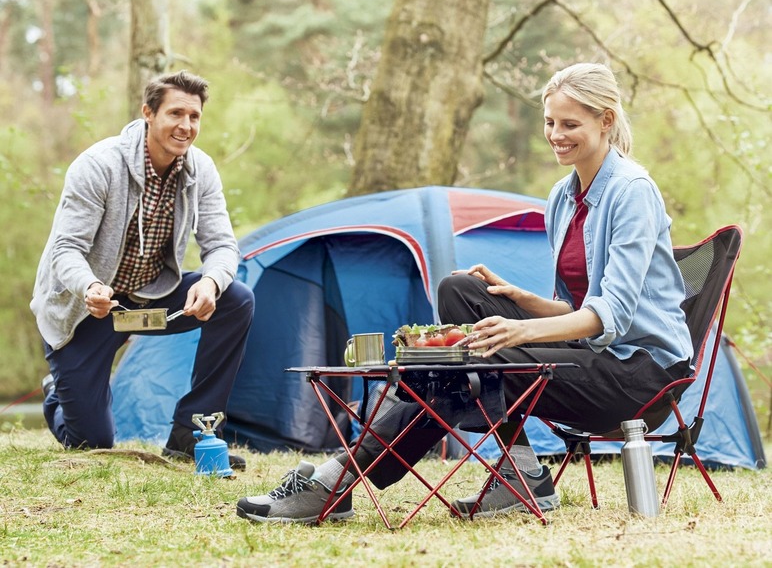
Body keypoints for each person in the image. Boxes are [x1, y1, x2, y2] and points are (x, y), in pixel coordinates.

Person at [235, 62, 692, 522]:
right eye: (550, 122)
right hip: (593, 355)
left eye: (570, 124)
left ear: (606, 120)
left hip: (641, 375)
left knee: (471, 359)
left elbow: (608, 316)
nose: (556, 134)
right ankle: (523, 474)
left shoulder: (632, 191)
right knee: (460, 290)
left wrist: (519, 331)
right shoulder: (562, 196)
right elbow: (573, 309)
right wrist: (521, 300)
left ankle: (336, 480)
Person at [31, 70, 255, 468]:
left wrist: (210, 281)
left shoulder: (200, 170)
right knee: (92, 443)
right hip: (88, 308)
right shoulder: (99, 165)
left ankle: (191, 433)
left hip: (150, 298)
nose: (186, 126)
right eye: (175, 114)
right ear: (148, 113)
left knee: (236, 298)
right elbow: (65, 249)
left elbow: (221, 245)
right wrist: (90, 287)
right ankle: (58, 393)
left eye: (194, 116)